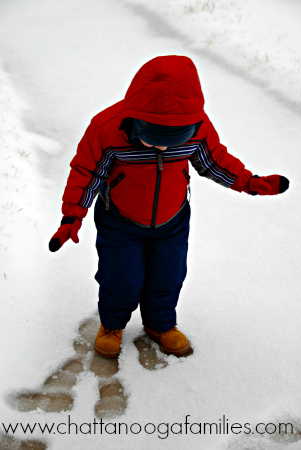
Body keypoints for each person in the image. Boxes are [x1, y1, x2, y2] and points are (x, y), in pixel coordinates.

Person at [49, 55, 289, 358]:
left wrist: (250, 183)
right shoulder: (106, 129)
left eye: (173, 140)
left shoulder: (197, 128)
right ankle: (112, 325)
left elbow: (215, 161)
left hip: (173, 219)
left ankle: (160, 324)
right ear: (136, 122)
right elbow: (86, 173)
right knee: (120, 277)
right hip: (120, 220)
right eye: (153, 139)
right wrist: (72, 216)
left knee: (169, 276)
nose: (163, 148)